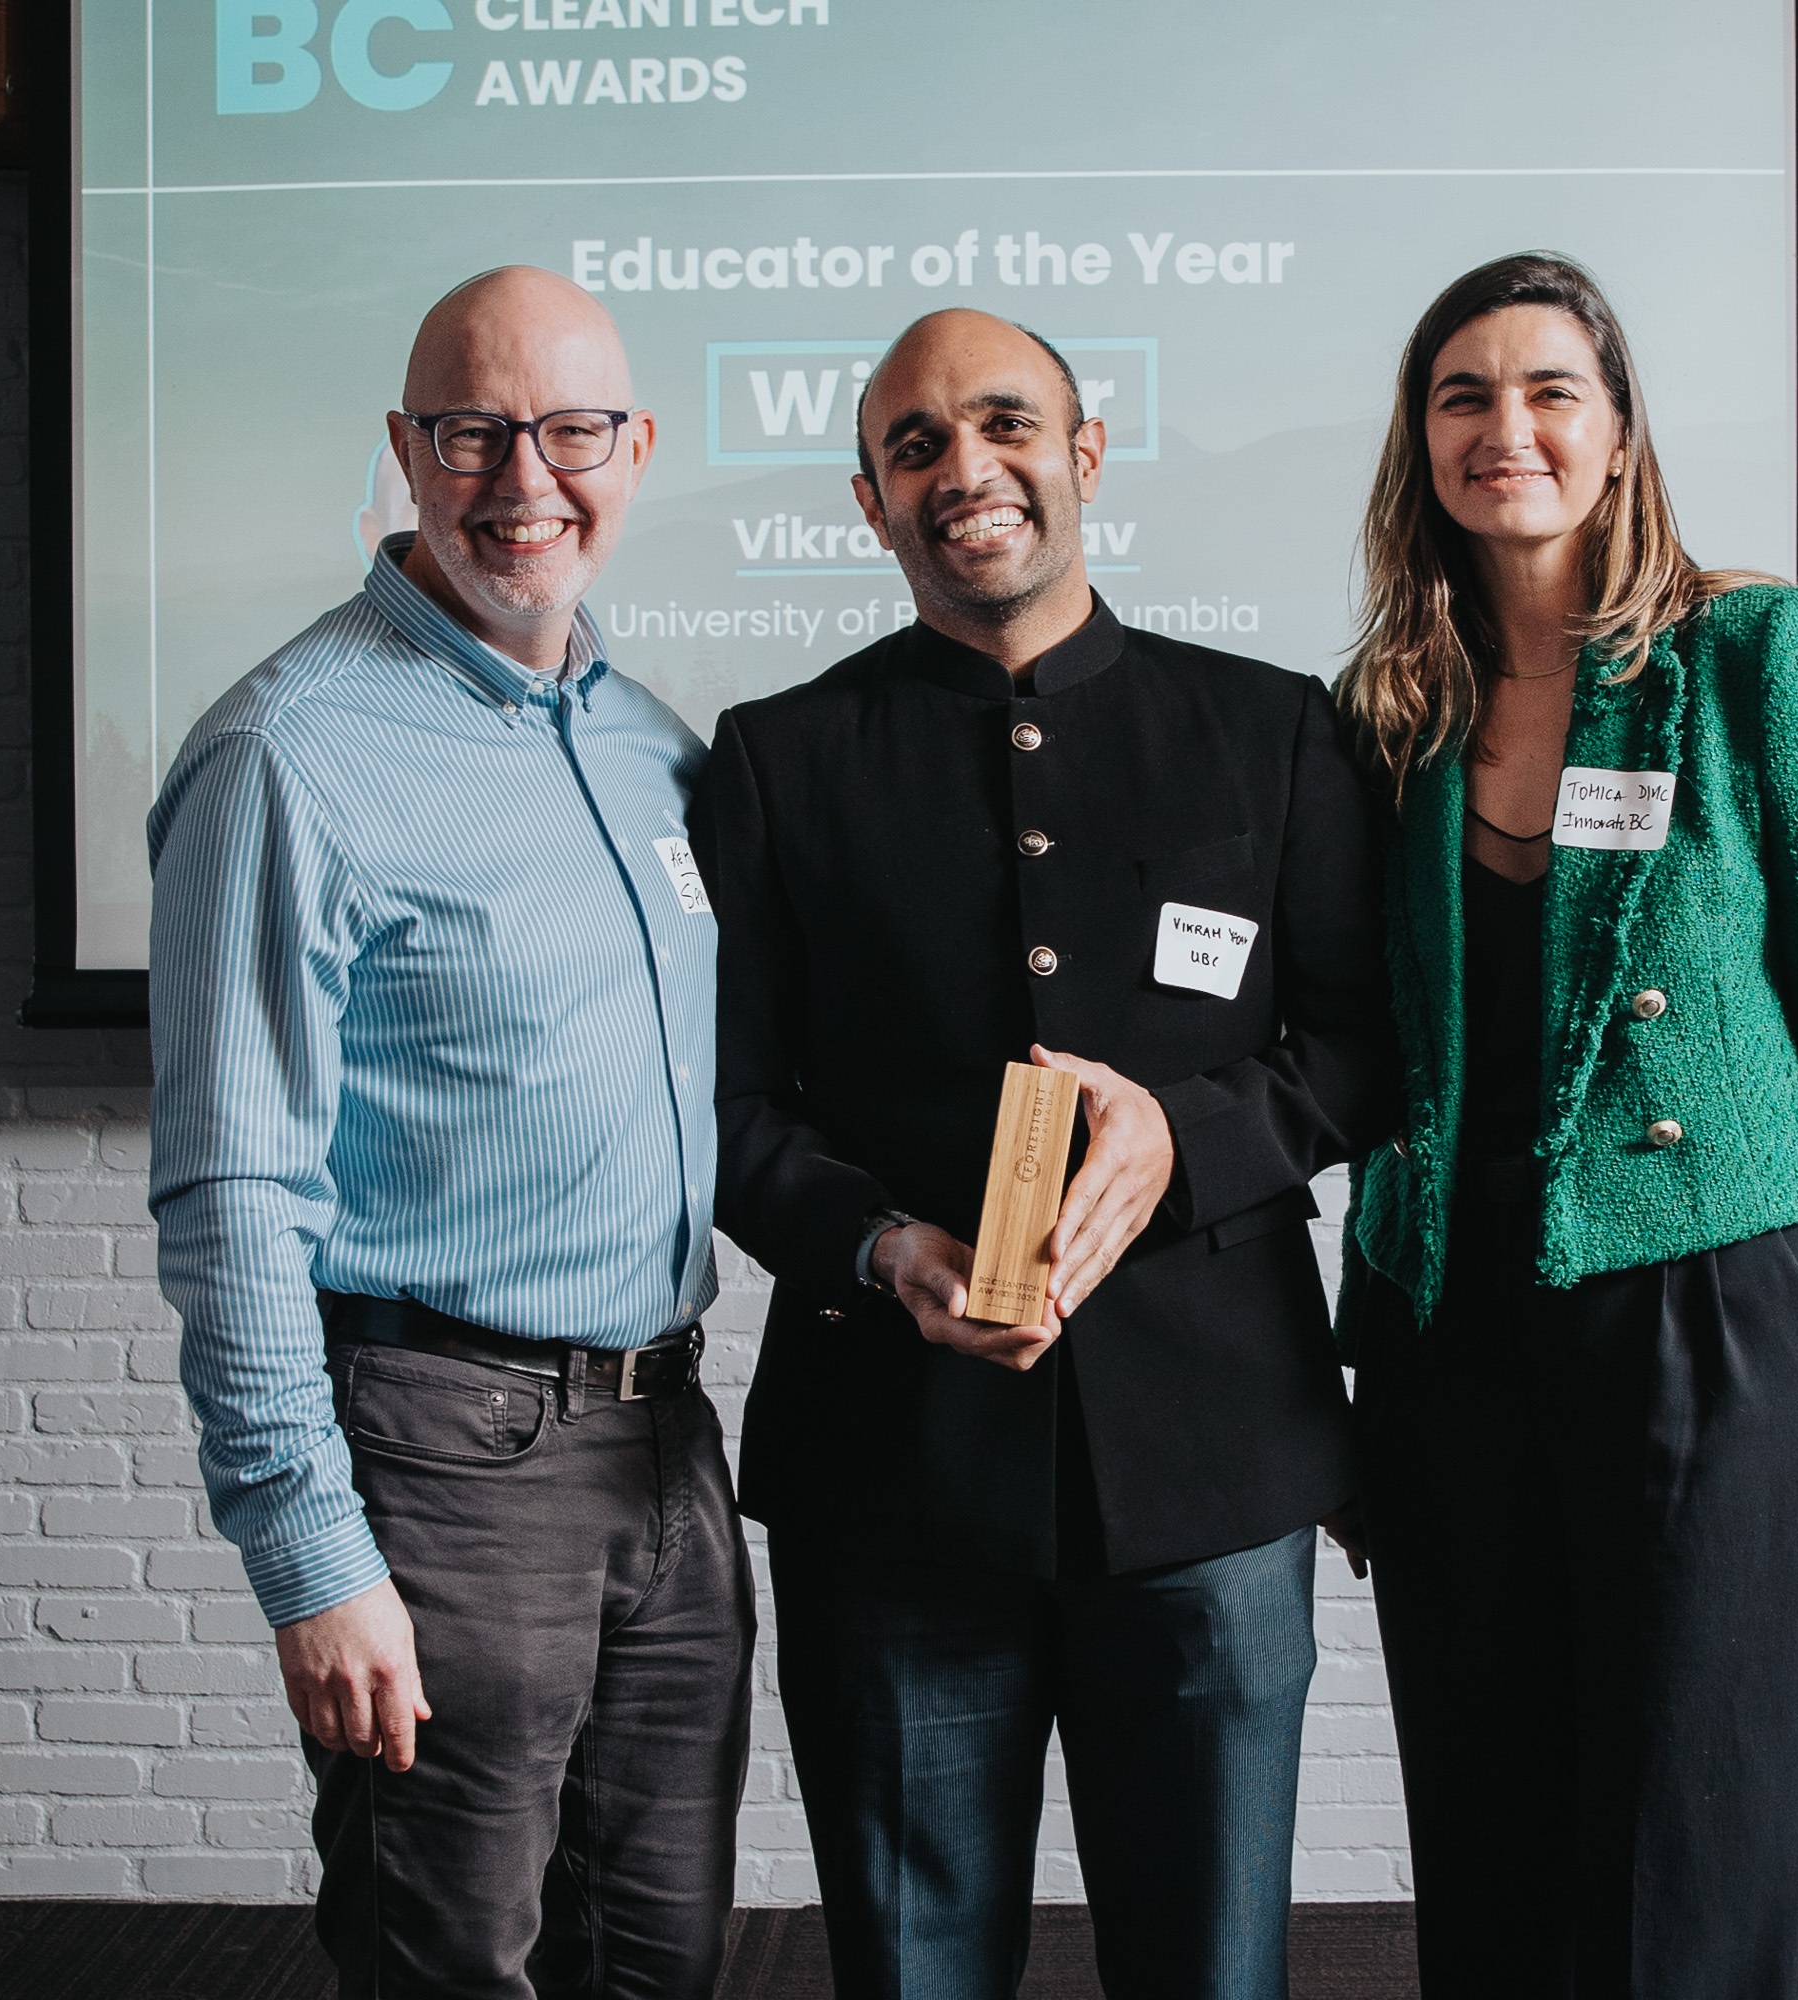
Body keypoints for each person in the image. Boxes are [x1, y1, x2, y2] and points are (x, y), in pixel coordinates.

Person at [697, 308, 1395, 2000]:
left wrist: (1194, 1135)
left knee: (1212, 1967)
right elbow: (717, 1111)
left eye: (1004, 425)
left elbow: (1373, 1048)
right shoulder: (779, 760)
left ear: (1084, 454)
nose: (964, 470)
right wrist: (878, 1244)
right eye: (915, 446)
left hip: (1219, 1462)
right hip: (891, 1468)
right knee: (915, 1965)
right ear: (869, 502)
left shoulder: (1272, 730)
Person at [146, 267, 749, 2000]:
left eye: (570, 432)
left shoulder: (649, 747)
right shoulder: (287, 751)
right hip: (442, 1461)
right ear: (407, 453)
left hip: (667, 1445)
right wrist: (312, 1560)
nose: (523, 477)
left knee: (660, 1957)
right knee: (452, 1959)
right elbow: (229, 1192)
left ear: (635, 450)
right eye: (472, 432)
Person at [1333, 252, 1798, 1996]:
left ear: (1617, 431)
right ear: (1419, 442)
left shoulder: (1758, 654)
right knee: (1493, 1807)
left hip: (1717, 1316)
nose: (1502, 429)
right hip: (1453, 1331)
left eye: (1546, 392)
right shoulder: (1390, 713)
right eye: (1462, 397)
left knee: (1705, 1822)